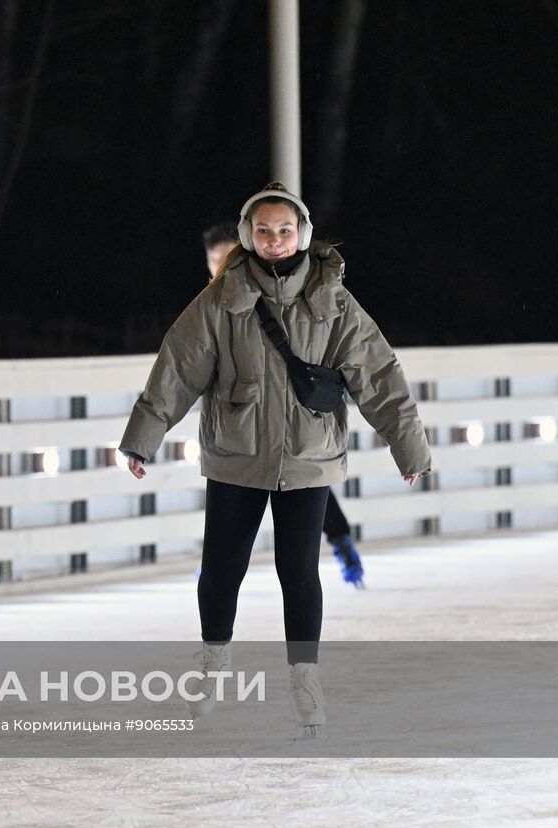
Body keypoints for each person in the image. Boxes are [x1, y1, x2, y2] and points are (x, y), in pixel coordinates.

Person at [121, 183, 430, 736]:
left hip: (308, 456)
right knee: (222, 569)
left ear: (303, 234)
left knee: (298, 572)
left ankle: (304, 677)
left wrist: (407, 446)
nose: (275, 240)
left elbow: (378, 374)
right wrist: (143, 437)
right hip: (236, 454)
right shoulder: (222, 298)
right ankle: (214, 661)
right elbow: (180, 365)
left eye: (285, 230)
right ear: (247, 235)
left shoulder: (333, 296)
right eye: (263, 230)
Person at [204, 221, 366, 588]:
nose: (219, 266)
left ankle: (341, 543)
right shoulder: (212, 305)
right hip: (241, 425)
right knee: (241, 497)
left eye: (225, 257)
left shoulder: (285, 295)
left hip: (295, 419)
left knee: (304, 490)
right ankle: (218, 570)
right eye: (213, 259)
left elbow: (357, 358)